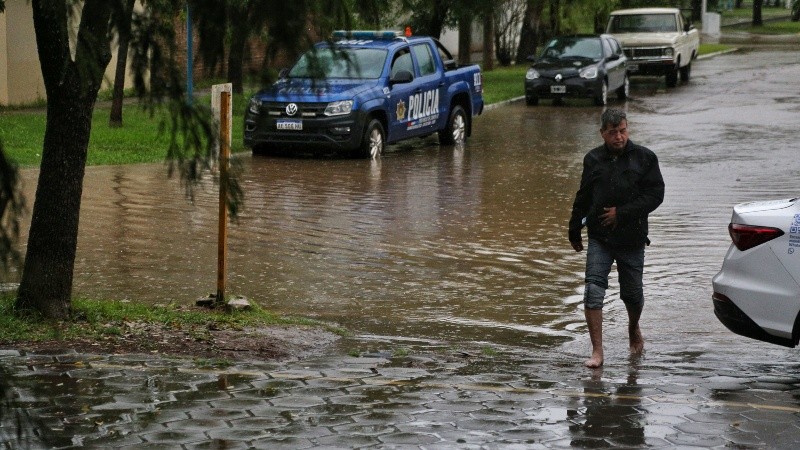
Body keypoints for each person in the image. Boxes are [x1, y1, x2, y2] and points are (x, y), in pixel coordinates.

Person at [568, 109, 664, 368]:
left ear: (627, 129)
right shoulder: (593, 160)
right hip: (600, 237)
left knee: (632, 295)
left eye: (622, 130)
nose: (618, 137)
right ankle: (597, 352)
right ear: (603, 134)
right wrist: (574, 228)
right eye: (612, 133)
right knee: (593, 290)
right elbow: (583, 196)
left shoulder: (645, 158)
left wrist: (621, 213)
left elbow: (656, 195)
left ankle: (633, 328)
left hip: (632, 238)